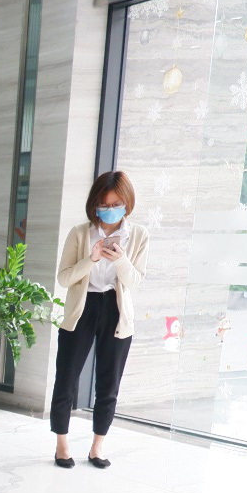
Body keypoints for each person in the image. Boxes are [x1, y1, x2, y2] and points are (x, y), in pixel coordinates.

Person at [50, 171, 148, 469]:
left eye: (117, 203)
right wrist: (91, 259)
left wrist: (119, 258)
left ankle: (97, 447)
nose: (110, 209)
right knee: (66, 379)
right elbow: (64, 278)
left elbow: (134, 282)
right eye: (104, 204)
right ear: (95, 204)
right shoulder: (80, 233)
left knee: (109, 384)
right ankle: (62, 445)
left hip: (117, 311)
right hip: (83, 307)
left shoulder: (139, 235)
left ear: (127, 203)